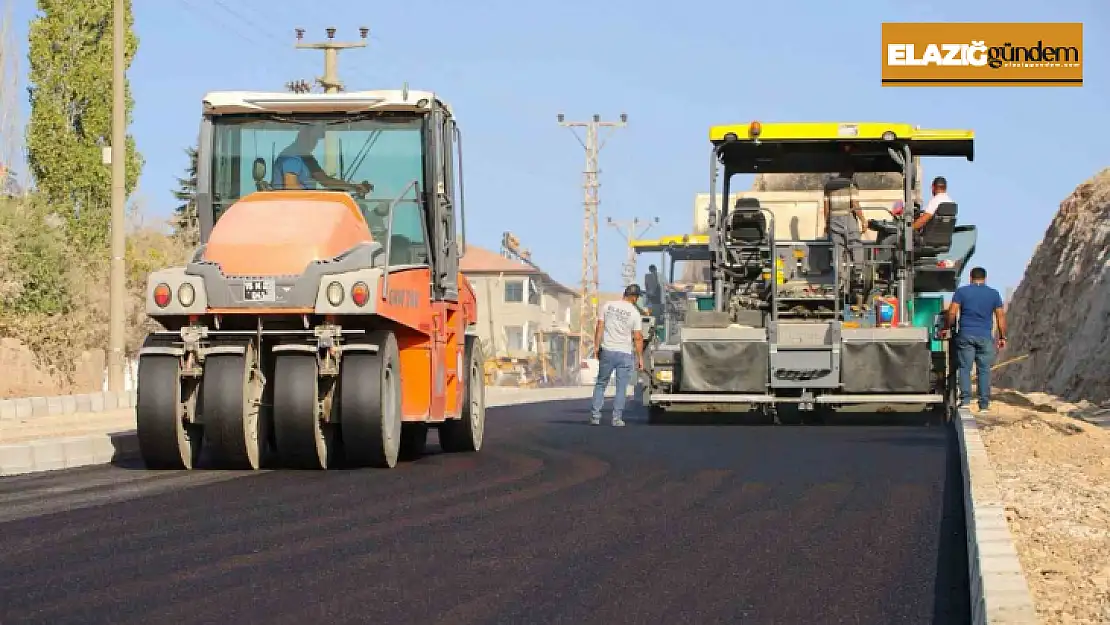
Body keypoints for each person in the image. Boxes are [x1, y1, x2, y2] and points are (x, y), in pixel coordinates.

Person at [945, 267, 1007, 413]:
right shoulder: (994, 294)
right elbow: (1000, 316)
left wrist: (946, 327)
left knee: (965, 368)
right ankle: (984, 405)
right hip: (985, 337)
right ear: (985, 278)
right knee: (984, 370)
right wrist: (1002, 336)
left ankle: (965, 401)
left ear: (970, 278)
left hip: (965, 335)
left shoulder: (962, 292)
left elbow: (952, 312)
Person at [590, 284, 645, 427]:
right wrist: (640, 358)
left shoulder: (608, 306)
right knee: (621, 387)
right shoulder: (634, 313)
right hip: (625, 354)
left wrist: (596, 346)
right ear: (634, 298)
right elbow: (638, 337)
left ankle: (595, 416)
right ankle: (616, 419)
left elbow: (600, 326)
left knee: (601, 383)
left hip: (607, 351)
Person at [272, 124, 373, 195]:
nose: (314, 143)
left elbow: (325, 180)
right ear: (302, 134)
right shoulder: (291, 156)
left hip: (304, 207)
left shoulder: (307, 157)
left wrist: (354, 187)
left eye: (316, 140)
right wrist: (320, 196)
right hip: (291, 210)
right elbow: (291, 188)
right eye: (313, 138)